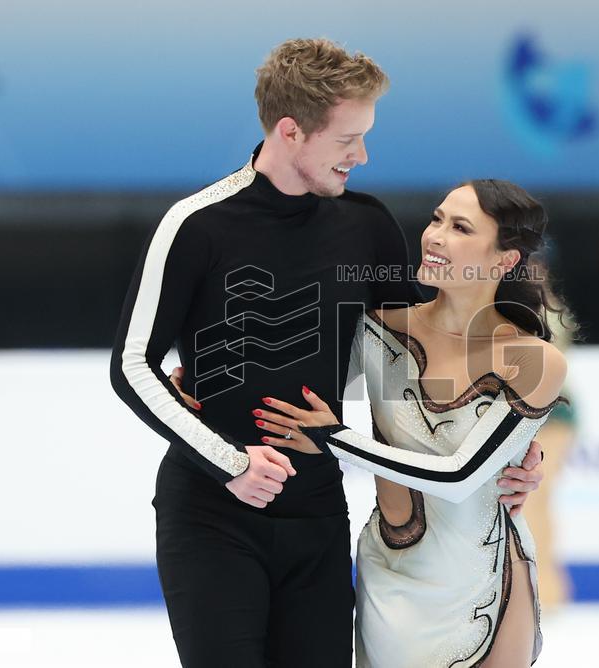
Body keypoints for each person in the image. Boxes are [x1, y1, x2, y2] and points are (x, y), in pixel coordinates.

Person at [110, 39, 545, 667]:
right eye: (349, 140)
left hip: (317, 514)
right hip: (211, 513)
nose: (362, 156)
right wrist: (230, 461)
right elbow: (131, 365)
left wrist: (513, 438)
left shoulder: (365, 225)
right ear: (292, 131)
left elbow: (427, 350)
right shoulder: (195, 224)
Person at [254, 180, 569, 666]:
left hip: (486, 582)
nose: (435, 236)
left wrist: (333, 439)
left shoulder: (529, 359)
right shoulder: (380, 329)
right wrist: (202, 376)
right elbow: (282, 378)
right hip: (393, 580)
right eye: (436, 218)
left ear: (504, 260)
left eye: (460, 227)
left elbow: (460, 476)